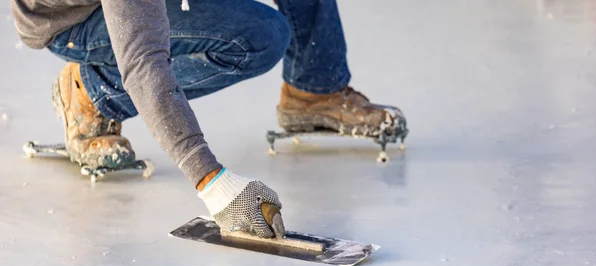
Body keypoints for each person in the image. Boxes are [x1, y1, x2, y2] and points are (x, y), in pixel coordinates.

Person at [11, 0, 407, 239]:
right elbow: (144, 59)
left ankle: (314, 89)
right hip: (74, 20)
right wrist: (212, 181)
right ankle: (94, 90)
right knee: (259, 36)